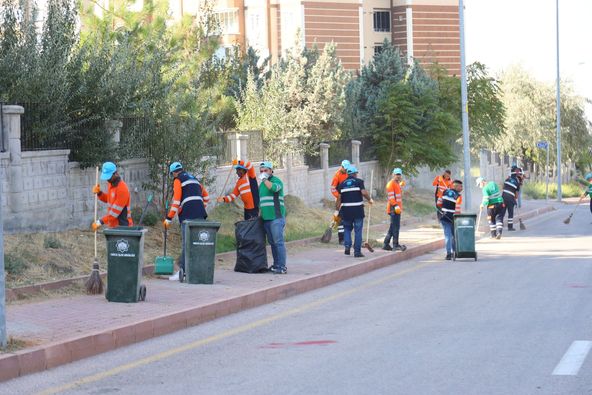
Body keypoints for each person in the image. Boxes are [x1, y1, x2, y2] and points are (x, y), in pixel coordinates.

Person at [164, 162, 210, 281]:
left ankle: (182, 272)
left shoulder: (178, 180)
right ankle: (198, 269)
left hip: (188, 216)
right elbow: (207, 197)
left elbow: (176, 201)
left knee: (187, 244)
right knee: (197, 243)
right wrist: (200, 208)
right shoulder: (194, 178)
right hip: (200, 215)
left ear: (173, 173)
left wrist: (168, 218)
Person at [336, 166, 373, 258]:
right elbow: (364, 193)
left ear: (347, 174)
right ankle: (357, 252)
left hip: (346, 211)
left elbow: (339, 199)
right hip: (358, 211)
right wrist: (370, 199)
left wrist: (337, 210)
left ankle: (347, 247)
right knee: (358, 231)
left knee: (347, 229)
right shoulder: (359, 182)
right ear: (355, 173)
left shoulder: (342, 184)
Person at [258, 161, 287, 274]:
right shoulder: (261, 185)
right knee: (272, 243)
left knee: (278, 242)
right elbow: (261, 202)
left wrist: (265, 179)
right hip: (266, 219)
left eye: (265, 171)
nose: (263, 173)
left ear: (271, 171)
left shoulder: (276, 181)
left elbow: (274, 189)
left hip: (276, 217)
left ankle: (282, 266)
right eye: (261, 171)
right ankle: (276, 265)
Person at [91, 162, 133, 230]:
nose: (107, 179)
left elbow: (114, 213)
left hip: (123, 227)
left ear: (115, 174)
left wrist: (100, 222)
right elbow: (109, 199)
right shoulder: (111, 184)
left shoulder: (122, 189)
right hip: (113, 226)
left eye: (109, 176)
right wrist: (99, 193)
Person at [437, 180, 463, 260]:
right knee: (453, 235)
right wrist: (458, 219)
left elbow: (438, 203)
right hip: (452, 218)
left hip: (444, 216)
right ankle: (455, 252)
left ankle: (448, 254)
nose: (462, 188)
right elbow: (457, 210)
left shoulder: (444, 192)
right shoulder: (458, 196)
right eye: (461, 186)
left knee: (447, 235)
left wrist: (443, 210)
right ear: (456, 186)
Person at [383, 168, 406, 252]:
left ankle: (386, 244)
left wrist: (400, 186)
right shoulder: (390, 184)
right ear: (393, 174)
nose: (398, 176)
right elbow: (391, 197)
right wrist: (396, 206)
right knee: (396, 227)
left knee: (393, 227)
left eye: (399, 174)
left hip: (397, 209)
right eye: (397, 174)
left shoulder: (397, 183)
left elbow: (398, 194)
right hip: (393, 209)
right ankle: (395, 245)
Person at [330, 160, 351, 245]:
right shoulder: (337, 175)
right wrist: (338, 196)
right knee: (340, 219)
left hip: (348, 198)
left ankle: (347, 236)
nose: (346, 170)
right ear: (341, 166)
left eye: (347, 169)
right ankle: (341, 239)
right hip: (340, 199)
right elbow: (333, 188)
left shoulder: (348, 173)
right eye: (345, 169)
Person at [502, 165, 521, 231]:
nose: (518, 172)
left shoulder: (507, 179)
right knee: (510, 213)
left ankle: (500, 225)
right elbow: (516, 193)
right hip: (510, 199)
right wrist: (515, 199)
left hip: (503, 198)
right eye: (517, 171)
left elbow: (503, 188)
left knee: (502, 212)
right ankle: (510, 227)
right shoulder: (517, 181)